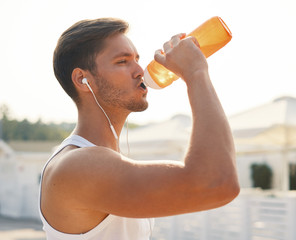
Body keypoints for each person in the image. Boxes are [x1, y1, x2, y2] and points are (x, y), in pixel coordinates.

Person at [39, 17, 240, 240]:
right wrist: (196, 73)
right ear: (82, 79)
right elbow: (217, 182)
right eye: (122, 61)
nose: (139, 70)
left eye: (137, 59)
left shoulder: (105, 160)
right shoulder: (76, 165)